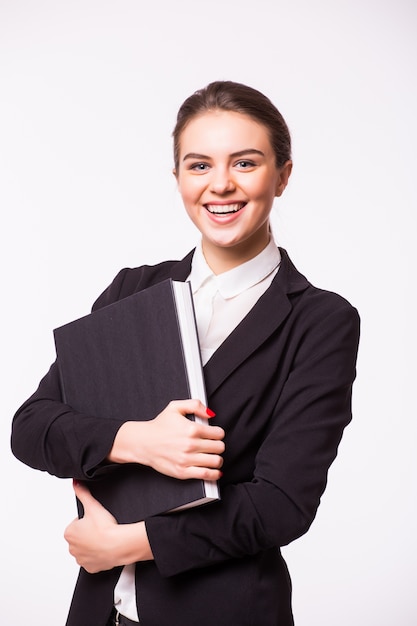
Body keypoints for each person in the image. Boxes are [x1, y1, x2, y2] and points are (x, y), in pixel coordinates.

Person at [11, 80, 360, 626]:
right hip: (101, 613)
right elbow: (32, 427)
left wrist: (129, 544)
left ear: (283, 175)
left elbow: (282, 504)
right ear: (177, 178)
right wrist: (135, 440)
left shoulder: (319, 321)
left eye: (245, 163)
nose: (220, 185)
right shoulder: (132, 291)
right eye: (199, 166)